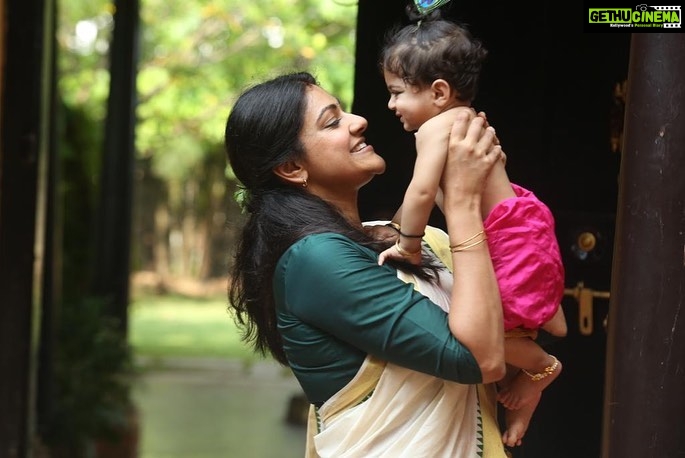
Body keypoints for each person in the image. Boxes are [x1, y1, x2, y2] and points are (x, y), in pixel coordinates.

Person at [225, 71, 509, 457]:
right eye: (333, 121)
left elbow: (502, 311)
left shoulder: (403, 240)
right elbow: (481, 359)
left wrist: (540, 368)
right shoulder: (315, 259)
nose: (359, 121)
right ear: (293, 168)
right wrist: (462, 204)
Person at [377, 11, 566, 448]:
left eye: (397, 93)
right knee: (506, 316)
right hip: (526, 225)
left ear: (438, 92)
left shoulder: (434, 130)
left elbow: (421, 193)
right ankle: (545, 324)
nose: (390, 105)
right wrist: (395, 224)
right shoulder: (471, 121)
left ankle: (543, 365)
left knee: (488, 331)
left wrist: (407, 245)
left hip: (509, 245)